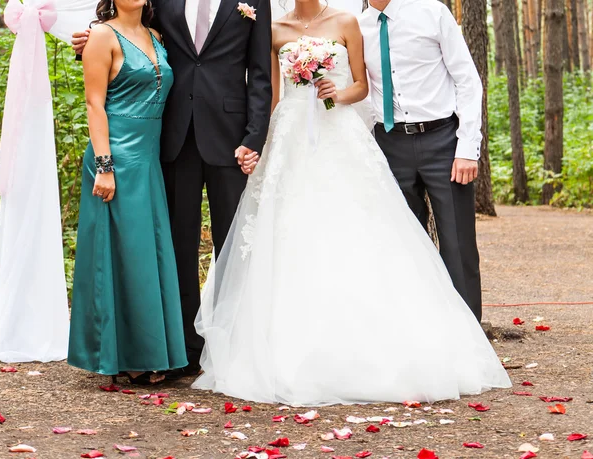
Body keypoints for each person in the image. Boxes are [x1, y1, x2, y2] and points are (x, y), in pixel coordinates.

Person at [191, 0, 511, 405]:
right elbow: (268, 92)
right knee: (312, 235)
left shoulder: (374, 19)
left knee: (436, 240)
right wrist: (257, 142)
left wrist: (335, 94)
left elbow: (373, 83)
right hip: (325, 137)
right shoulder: (288, 27)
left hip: (391, 135)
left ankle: (460, 337)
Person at [72, 0, 273, 380]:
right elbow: (126, 29)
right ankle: (183, 349)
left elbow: (261, 72)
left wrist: (255, 136)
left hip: (231, 139)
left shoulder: (254, 2)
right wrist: (88, 37)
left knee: (234, 246)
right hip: (170, 139)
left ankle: (238, 345)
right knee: (175, 247)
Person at [67, 0, 188, 385]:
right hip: (115, 157)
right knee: (122, 255)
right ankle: (123, 356)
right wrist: (105, 166)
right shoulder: (102, 34)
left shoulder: (157, 35)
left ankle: (152, 352)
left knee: (145, 255)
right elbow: (94, 103)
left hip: (148, 159)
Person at [359, 0, 484, 322]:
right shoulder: (359, 27)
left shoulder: (432, 12)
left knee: (458, 245)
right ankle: (419, 328)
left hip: (442, 140)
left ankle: (469, 334)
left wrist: (467, 147)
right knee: (402, 244)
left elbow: (468, 80)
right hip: (389, 144)